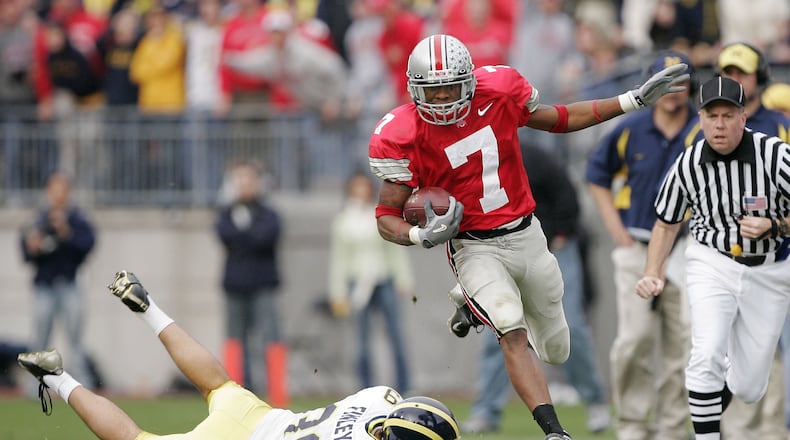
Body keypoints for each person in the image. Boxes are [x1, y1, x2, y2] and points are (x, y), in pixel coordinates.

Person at [367, 33, 689, 440]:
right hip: (472, 244)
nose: (445, 98)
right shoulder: (400, 133)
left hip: (526, 234)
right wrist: (419, 234)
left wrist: (632, 100)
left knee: (557, 349)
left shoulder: (500, 90)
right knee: (510, 328)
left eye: (451, 86)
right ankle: (554, 431)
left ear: (470, 80)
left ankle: (469, 300)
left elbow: (561, 119)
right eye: (434, 90)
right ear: (414, 90)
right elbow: (385, 216)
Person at [17, 270, 462, 440]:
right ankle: (57, 378)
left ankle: (149, 308)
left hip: (265, 417)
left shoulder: (382, 397)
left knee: (219, 385)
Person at [636, 76, 790, 440]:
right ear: (700, 118)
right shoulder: (689, 163)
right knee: (705, 355)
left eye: (727, 115)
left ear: (743, 117)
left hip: (770, 269)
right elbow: (666, 223)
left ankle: (714, 391)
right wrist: (653, 271)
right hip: (712, 261)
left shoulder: (776, 155)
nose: (719, 125)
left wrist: (775, 225)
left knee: (751, 387)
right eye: (711, 115)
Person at [459, 142, 610, 435]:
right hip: (499, 252)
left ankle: (595, 402)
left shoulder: (534, 157)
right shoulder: (471, 163)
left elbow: (567, 196)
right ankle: (486, 411)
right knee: (499, 330)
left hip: (551, 248)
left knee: (572, 326)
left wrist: (561, 234)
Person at [585, 51, 698, 439]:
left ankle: (671, 425)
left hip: (687, 248)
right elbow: (596, 176)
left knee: (683, 341)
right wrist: (615, 228)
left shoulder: (703, 129)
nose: (672, 90)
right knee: (633, 340)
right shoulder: (630, 127)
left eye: (679, 81)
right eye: (663, 81)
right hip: (636, 244)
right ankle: (633, 423)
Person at [713, 41, 790, 440]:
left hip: (779, 256)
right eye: (728, 72)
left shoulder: (781, 124)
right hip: (727, 259)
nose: (735, 79)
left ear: (759, 77)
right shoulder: (710, 125)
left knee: (772, 349)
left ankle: (773, 432)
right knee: (730, 352)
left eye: (742, 72)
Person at [328, 171, 413, 393]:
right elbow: (339, 259)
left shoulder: (379, 215)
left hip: (382, 278)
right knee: (362, 340)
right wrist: (338, 291)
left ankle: (404, 386)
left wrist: (403, 278)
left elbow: (393, 249)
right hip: (357, 283)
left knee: (395, 334)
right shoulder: (343, 221)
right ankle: (366, 389)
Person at [20, 171, 96, 387]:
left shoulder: (76, 219)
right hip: (44, 286)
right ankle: (35, 388)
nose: (58, 196)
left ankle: (83, 386)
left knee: (75, 339)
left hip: (70, 284)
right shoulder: (38, 219)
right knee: (40, 339)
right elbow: (26, 252)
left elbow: (87, 245)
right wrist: (31, 246)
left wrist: (66, 232)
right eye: (54, 191)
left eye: (62, 191)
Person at [214, 161, 283, 396]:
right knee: (235, 341)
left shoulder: (269, 213)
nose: (243, 185)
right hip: (235, 285)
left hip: (263, 284)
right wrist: (247, 237)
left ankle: (276, 395)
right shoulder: (227, 213)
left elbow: (265, 237)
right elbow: (225, 235)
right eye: (239, 180)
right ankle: (238, 394)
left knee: (270, 338)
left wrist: (242, 237)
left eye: (248, 179)